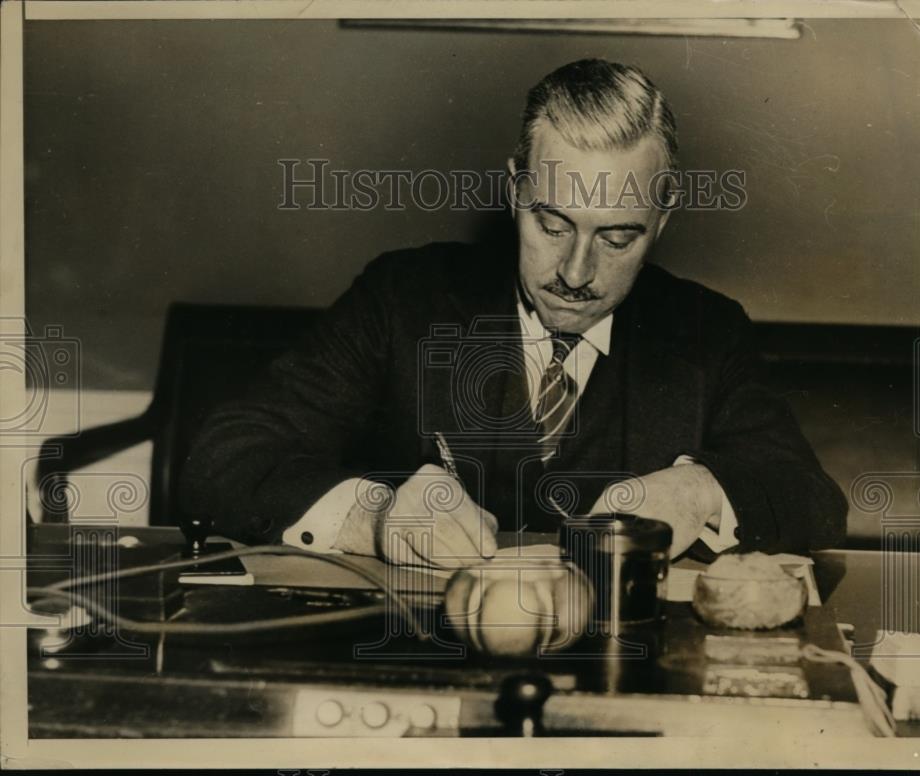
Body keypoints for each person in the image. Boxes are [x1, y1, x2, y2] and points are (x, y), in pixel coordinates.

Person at [180, 58, 847, 570]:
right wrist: (378, 517)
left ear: (662, 223)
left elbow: (811, 498)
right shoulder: (403, 298)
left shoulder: (707, 330)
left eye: (617, 238)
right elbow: (224, 457)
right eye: (552, 223)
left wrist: (701, 492)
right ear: (513, 191)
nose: (576, 274)